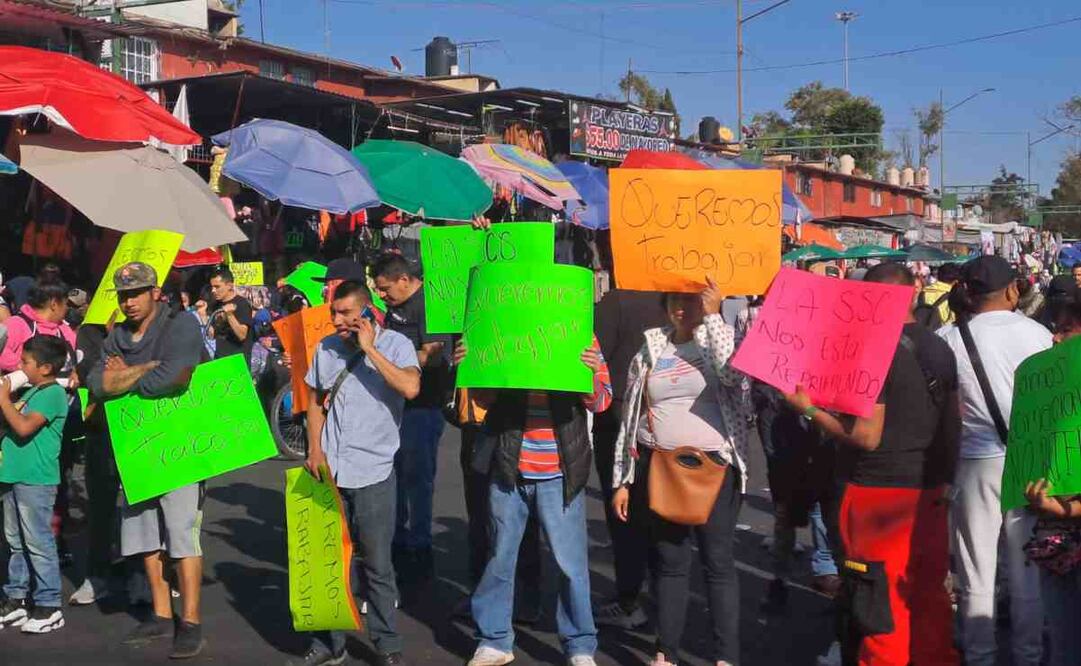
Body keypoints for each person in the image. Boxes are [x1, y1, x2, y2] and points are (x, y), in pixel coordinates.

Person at [785, 263, 960, 665]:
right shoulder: (939, 346)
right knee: (927, 594)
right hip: (929, 491)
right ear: (914, 291)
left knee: (878, 603)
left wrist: (809, 409)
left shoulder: (874, 349)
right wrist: (948, 480)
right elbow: (953, 422)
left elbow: (866, 435)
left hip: (877, 493)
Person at [612, 277, 750, 666]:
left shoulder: (716, 341)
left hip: (715, 469)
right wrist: (623, 479)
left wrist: (715, 317)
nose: (681, 307)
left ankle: (726, 657)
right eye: (674, 300)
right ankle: (665, 653)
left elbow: (735, 377)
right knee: (670, 565)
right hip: (662, 469)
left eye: (690, 300)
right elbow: (631, 415)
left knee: (718, 564)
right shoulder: (651, 347)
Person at [456, 334, 611, 666]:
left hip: (561, 471)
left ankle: (580, 645)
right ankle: (494, 639)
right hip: (510, 467)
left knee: (571, 565)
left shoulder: (581, 334)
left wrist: (590, 373)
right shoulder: (503, 327)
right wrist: (471, 366)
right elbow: (482, 400)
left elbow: (601, 402)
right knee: (499, 557)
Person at [293, 280, 420, 666]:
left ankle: (387, 643)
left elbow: (411, 387)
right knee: (326, 561)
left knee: (377, 564)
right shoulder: (327, 348)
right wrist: (314, 449)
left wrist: (369, 350)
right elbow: (314, 400)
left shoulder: (396, 344)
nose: (337, 320)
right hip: (330, 467)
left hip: (374, 469)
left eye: (346, 313)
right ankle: (328, 643)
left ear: (366, 311)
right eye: (334, 313)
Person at [86, 262, 207, 659]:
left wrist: (129, 377)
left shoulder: (181, 324)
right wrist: (146, 369)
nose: (128, 301)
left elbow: (176, 377)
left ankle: (189, 621)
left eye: (136, 292)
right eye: (123, 295)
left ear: (155, 291)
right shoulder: (117, 335)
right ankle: (160, 614)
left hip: (179, 449)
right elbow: (96, 385)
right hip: (137, 451)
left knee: (181, 534)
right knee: (143, 537)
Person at [938, 256, 1052, 666]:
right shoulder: (1038, 334)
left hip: (974, 461)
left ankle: (980, 655)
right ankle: (1028, 654)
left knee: (976, 569)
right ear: (1011, 290)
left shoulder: (949, 337)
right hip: (1031, 461)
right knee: (1028, 568)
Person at [591, 287, 667, 629]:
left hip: (618, 417)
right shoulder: (680, 297)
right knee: (659, 517)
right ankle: (660, 601)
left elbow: (593, 353)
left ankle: (629, 599)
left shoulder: (617, 301)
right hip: (666, 420)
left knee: (623, 515)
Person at [371, 253, 450, 574]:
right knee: (395, 474)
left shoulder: (429, 304)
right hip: (395, 403)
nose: (383, 296)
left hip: (424, 404)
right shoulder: (391, 308)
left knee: (417, 477)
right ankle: (399, 537)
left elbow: (433, 353)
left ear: (405, 280)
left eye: (386, 289)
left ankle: (420, 543)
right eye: (377, 290)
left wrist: (394, 362)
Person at [1021, 296, 1081, 666]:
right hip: (1056, 541)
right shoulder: (1050, 389)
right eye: (1055, 329)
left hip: (1062, 523)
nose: (1055, 339)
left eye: (1066, 330)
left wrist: (1063, 507)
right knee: (1063, 645)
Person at [0, 335, 71, 633]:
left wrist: (3, 399)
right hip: (13, 474)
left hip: (36, 479)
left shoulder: (51, 394)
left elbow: (23, 426)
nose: (19, 365)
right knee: (15, 541)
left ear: (44, 368)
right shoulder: (31, 392)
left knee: (37, 542)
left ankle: (48, 604)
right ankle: (17, 598)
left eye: (25, 361)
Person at [0, 278, 76, 376]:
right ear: (54, 304)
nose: (67, 308)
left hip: (63, 387)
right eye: (66, 304)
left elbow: (78, 356)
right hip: (25, 389)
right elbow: (2, 353)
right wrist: (28, 367)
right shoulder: (17, 324)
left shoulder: (64, 329)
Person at [207, 266, 254, 362]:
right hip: (219, 359)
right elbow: (211, 334)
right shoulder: (215, 304)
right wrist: (203, 315)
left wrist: (230, 315)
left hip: (237, 361)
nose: (213, 291)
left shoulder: (242, 304)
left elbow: (242, 335)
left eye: (217, 287)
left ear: (229, 285)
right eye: (212, 287)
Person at [918, 262, 960, 328]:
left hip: (920, 333)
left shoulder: (922, 292)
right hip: (940, 335)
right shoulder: (954, 298)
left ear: (938, 276)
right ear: (956, 281)